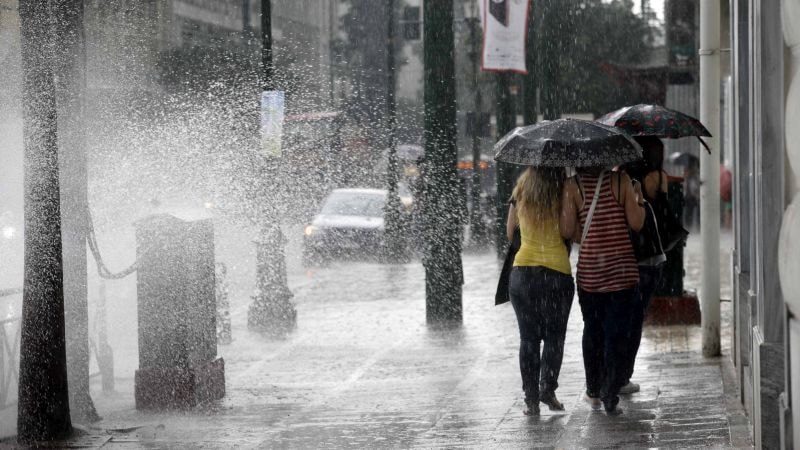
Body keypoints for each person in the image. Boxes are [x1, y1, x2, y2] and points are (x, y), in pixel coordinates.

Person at [562, 165, 645, 415]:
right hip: (622, 271)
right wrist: (638, 199)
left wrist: (588, 234)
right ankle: (610, 391)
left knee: (593, 330)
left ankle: (594, 388)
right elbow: (637, 223)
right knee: (617, 333)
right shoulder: (621, 181)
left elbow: (567, 230)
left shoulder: (572, 186)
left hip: (590, 274)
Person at [505, 167, 575, 416]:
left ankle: (531, 400)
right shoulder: (564, 190)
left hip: (522, 274)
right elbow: (568, 231)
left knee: (528, 339)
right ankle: (547, 388)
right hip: (556, 274)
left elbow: (510, 232)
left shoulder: (521, 189)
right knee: (554, 338)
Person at [618, 136, 670, 395]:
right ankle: (624, 374)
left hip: (624, 253)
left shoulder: (622, 178)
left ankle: (614, 371)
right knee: (636, 319)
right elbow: (664, 213)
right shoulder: (658, 177)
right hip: (650, 256)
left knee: (620, 316)